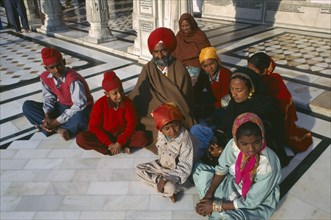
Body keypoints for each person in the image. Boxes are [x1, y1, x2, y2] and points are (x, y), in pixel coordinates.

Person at [194, 112, 281, 220]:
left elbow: (252, 201)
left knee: (233, 217)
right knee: (199, 171)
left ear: (262, 136)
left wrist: (215, 205)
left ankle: (221, 211)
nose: (251, 149)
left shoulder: (267, 164)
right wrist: (208, 195)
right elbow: (222, 169)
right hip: (234, 182)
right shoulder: (233, 145)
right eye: (244, 144)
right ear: (236, 140)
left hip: (258, 198)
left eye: (257, 142)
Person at [128, 27, 195, 153]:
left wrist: (167, 112)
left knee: (172, 127)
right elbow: (138, 93)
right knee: (139, 122)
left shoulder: (179, 69)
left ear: (169, 50)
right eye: (156, 52)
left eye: (163, 51)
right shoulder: (148, 69)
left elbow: (184, 101)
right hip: (151, 115)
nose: (159, 55)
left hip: (174, 115)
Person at [218, 67, 289, 167]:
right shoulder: (234, 104)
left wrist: (226, 151)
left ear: (251, 89)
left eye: (239, 90)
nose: (233, 94)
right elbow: (224, 125)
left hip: (256, 151)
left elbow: (256, 141)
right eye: (231, 89)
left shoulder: (265, 106)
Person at [22, 47, 94, 140]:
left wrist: (56, 121)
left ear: (64, 62)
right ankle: (58, 129)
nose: (56, 70)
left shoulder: (73, 79)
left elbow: (79, 105)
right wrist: (48, 115)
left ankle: (48, 127)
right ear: (46, 68)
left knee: (81, 119)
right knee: (27, 106)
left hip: (81, 109)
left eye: (59, 65)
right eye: (52, 67)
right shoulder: (45, 77)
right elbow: (49, 97)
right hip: (62, 106)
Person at [248, 52, 312, 153]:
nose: (249, 72)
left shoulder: (272, 80)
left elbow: (276, 104)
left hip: (280, 113)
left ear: (264, 70)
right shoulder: (258, 78)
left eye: (252, 70)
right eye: (248, 69)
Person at [136, 103, 198, 203]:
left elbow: (185, 167)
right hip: (162, 166)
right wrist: (160, 178)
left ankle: (167, 190)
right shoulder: (161, 133)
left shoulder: (185, 139)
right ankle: (159, 182)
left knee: (170, 188)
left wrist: (167, 179)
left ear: (180, 123)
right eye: (167, 128)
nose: (172, 131)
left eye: (175, 126)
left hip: (175, 173)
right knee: (139, 169)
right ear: (161, 129)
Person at [76, 71, 148, 155]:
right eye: (115, 93)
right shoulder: (99, 104)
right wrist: (109, 143)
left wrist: (120, 142)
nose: (120, 95)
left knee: (142, 138)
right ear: (107, 94)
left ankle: (119, 147)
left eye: (121, 91)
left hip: (122, 134)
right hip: (105, 135)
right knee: (81, 139)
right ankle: (111, 149)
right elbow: (94, 127)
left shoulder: (127, 103)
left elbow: (131, 125)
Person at [193, 47, 232, 123]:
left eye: (212, 64)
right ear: (202, 67)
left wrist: (210, 109)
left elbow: (225, 99)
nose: (209, 68)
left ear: (217, 61)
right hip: (213, 105)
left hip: (225, 106)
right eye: (206, 66)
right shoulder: (204, 74)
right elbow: (197, 90)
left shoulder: (226, 74)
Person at [172, 13, 211, 86]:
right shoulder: (179, 36)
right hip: (180, 65)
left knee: (187, 84)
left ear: (192, 24)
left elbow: (207, 53)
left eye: (187, 25)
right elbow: (173, 52)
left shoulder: (200, 35)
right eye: (182, 26)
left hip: (195, 66)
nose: (185, 28)